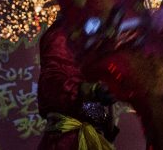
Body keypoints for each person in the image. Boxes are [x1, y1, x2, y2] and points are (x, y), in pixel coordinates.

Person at [37, 13, 118, 150]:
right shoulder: (61, 35)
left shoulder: (91, 36)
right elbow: (51, 85)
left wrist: (104, 120)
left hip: (90, 138)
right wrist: (89, 90)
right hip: (67, 140)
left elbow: (86, 105)